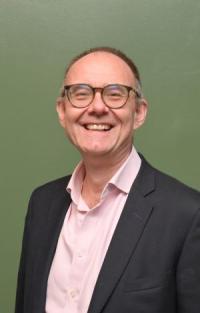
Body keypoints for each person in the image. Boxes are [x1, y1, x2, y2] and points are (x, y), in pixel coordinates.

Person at [15, 47, 200, 313]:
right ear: (62, 111)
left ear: (139, 113)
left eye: (115, 95)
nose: (98, 107)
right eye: (81, 93)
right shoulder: (42, 203)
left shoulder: (188, 215)